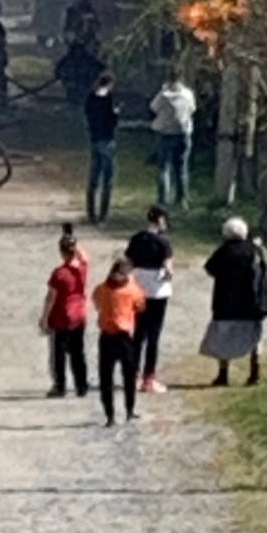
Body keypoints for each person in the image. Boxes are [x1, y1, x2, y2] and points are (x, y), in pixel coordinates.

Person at [199, 217, 263, 387]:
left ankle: (223, 374)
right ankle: (255, 372)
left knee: (223, 337)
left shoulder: (223, 251)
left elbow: (210, 269)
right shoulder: (253, 251)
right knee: (253, 337)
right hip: (250, 302)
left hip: (225, 302)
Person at [92, 258, 146, 427]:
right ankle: (120, 412)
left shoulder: (101, 289)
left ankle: (118, 413)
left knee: (116, 376)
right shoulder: (132, 290)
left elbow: (97, 303)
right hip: (118, 336)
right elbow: (141, 307)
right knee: (119, 376)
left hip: (113, 335)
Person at [126, 205, 174, 393]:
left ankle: (133, 375)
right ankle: (149, 377)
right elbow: (168, 269)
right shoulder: (164, 242)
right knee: (154, 335)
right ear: (160, 220)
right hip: (158, 291)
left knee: (138, 333)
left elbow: (128, 263)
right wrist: (168, 276)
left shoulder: (137, 239)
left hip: (138, 289)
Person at [39, 230, 89, 398]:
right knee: (78, 353)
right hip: (79, 316)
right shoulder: (82, 270)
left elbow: (50, 298)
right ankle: (81, 386)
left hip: (61, 318)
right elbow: (85, 257)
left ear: (61, 252)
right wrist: (75, 243)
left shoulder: (59, 274)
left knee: (58, 356)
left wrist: (44, 318)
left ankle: (60, 386)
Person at [151, 67, 197, 209]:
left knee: (164, 168)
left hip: (165, 134)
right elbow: (193, 109)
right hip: (183, 133)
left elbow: (153, 107)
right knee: (182, 167)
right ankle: (182, 199)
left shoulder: (164, 95)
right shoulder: (188, 94)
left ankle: (163, 199)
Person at [84, 73, 119, 224]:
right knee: (108, 179)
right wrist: (116, 114)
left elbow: (87, 114)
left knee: (94, 177)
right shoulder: (108, 99)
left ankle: (91, 213)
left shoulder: (91, 98)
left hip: (95, 139)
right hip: (107, 140)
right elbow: (112, 120)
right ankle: (103, 214)